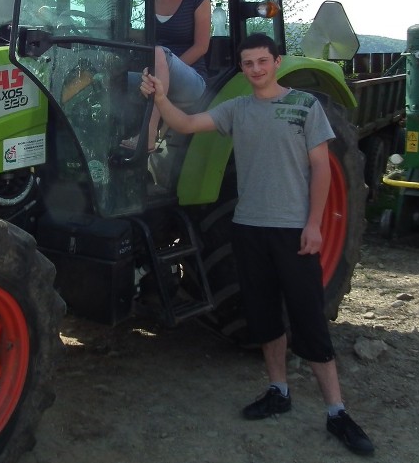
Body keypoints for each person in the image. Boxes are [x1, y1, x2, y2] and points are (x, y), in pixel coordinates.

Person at [140, 32, 375, 456]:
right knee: (264, 317)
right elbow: (188, 124)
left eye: (262, 62)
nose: (255, 70)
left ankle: (337, 411)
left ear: (277, 62)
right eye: (248, 64)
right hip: (249, 229)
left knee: (308, 321)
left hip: (292, 232)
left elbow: (322, 169)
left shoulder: (304, 107)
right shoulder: (238, 109)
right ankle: (278, 390)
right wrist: (159, 98)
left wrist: (314, 224)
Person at [125, 0, 210, 151]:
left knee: (158, 52)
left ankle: (150, 133)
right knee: (111, 76)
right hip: (156, 73)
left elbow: (202, 46)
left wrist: (164, 67)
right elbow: (145, 35)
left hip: (191, 80)